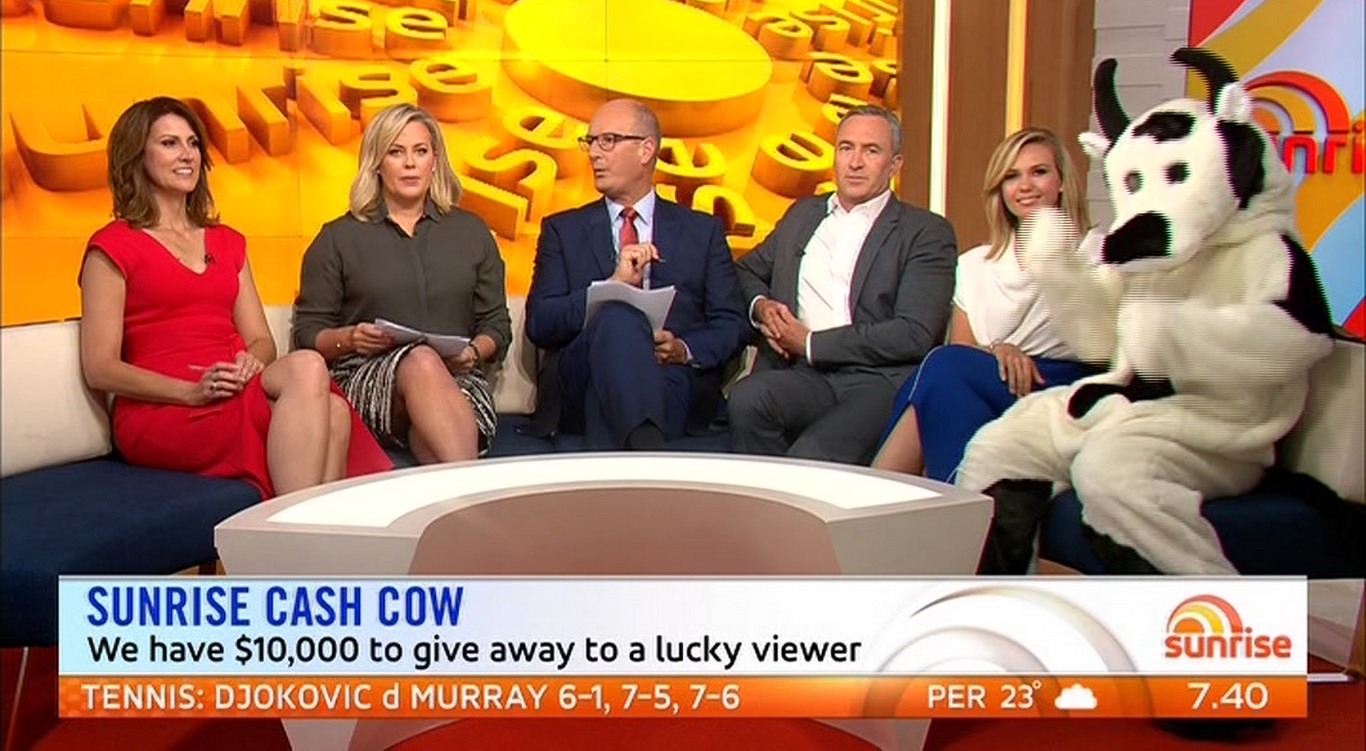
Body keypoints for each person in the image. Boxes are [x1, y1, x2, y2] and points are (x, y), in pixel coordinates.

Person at [78, 97, 393, 499]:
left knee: (318, 380)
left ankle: (296, 530)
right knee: (324, 411)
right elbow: (100, 369)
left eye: (193, 143)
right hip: (165, 407)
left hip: (232, 388)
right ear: (136, 155)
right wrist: (190, 391)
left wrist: (250, 362)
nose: (187, 155)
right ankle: (297, 530)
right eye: (170, 143)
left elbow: (262, 341)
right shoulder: (112, 247)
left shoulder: (228, 242)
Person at [727, 105, 957, 464]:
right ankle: (765, 499)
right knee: (748, 398)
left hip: (875, 380)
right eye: (846, 148)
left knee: (813, 454)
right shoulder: (803, 215)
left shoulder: (925, 232)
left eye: (871, 150)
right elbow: (746, 271)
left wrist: (811, 343)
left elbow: (914, 333)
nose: (855, 162)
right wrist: (762, 307)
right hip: (801, 375)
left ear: (895, 164)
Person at [872, 127, 1100, 479]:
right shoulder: (975, 264)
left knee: (938, 373)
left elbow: (1107, 347)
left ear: (1061, 182)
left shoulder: (1095, 252)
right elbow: (963, 350)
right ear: (1000, 190)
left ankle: (888, 492)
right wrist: (998, 350)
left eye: (1039, 172)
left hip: (1060, 386)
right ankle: (960, 494)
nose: (1025, 186)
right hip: (994, 378)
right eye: (1012, 176)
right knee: (945, 375)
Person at [524, 99, 749, 450]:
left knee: (624, 392)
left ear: (646, 150)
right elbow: (540, 323)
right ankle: (647, 454)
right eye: (590, 142)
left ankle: (630, 457)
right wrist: (609, 288)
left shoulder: (702, 232)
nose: (594, 153)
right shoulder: (563, 231)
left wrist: (682, 349)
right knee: (616, 317)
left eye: (608, 141)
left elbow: (732, 325)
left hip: (671, 375)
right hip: (579, 375)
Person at [293, 103, 511, 463]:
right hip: (366, 377)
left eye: (420, 151)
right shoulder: (338, 238)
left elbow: (496, 325)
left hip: (457, 379)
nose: (410, 163)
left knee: (432, 437)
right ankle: (476, 487)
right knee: (421, 360)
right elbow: (308, 332)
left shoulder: (472, 232)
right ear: (377, 163)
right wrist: (351, 337)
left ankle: (458, 486)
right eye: (396, 152)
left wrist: (472, 353)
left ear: (435, 161)